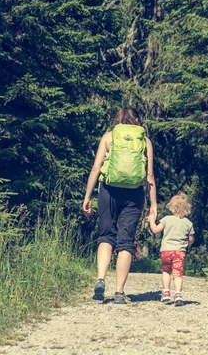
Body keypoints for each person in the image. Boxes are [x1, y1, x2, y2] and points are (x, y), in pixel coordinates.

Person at [83, 108, 157, 304]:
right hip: (134, 193)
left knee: (106, 235)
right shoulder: (144, 141)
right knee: (126, 241)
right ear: (138, 121)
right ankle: (119, 292)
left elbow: (96, 168)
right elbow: (149, 176)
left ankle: (100, 279)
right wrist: (153, 204)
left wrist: (88, 196)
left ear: (117, 121)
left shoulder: (109, 137)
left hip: (108, 190)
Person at [149, 192, 195, 306]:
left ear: (172, 207)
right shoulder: (188, 223)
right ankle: (178, 294)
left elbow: (155, 230)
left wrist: (151, 220)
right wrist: (188, 244)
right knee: (177, 273)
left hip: (166, 251)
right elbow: (191, 238)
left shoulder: (166, 219)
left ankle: (166, 293)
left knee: (166, 271)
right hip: (179, 252)